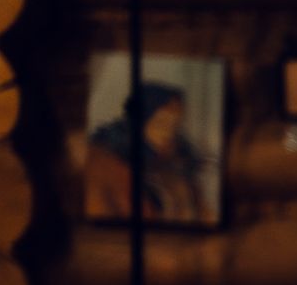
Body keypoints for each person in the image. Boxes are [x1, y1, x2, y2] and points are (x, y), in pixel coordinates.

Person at [82, 81, 209, 225]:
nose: (169, 133)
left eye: (175, 124)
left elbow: (205, 214)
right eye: (160, 123)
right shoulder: (109, 163)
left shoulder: (180, 161)